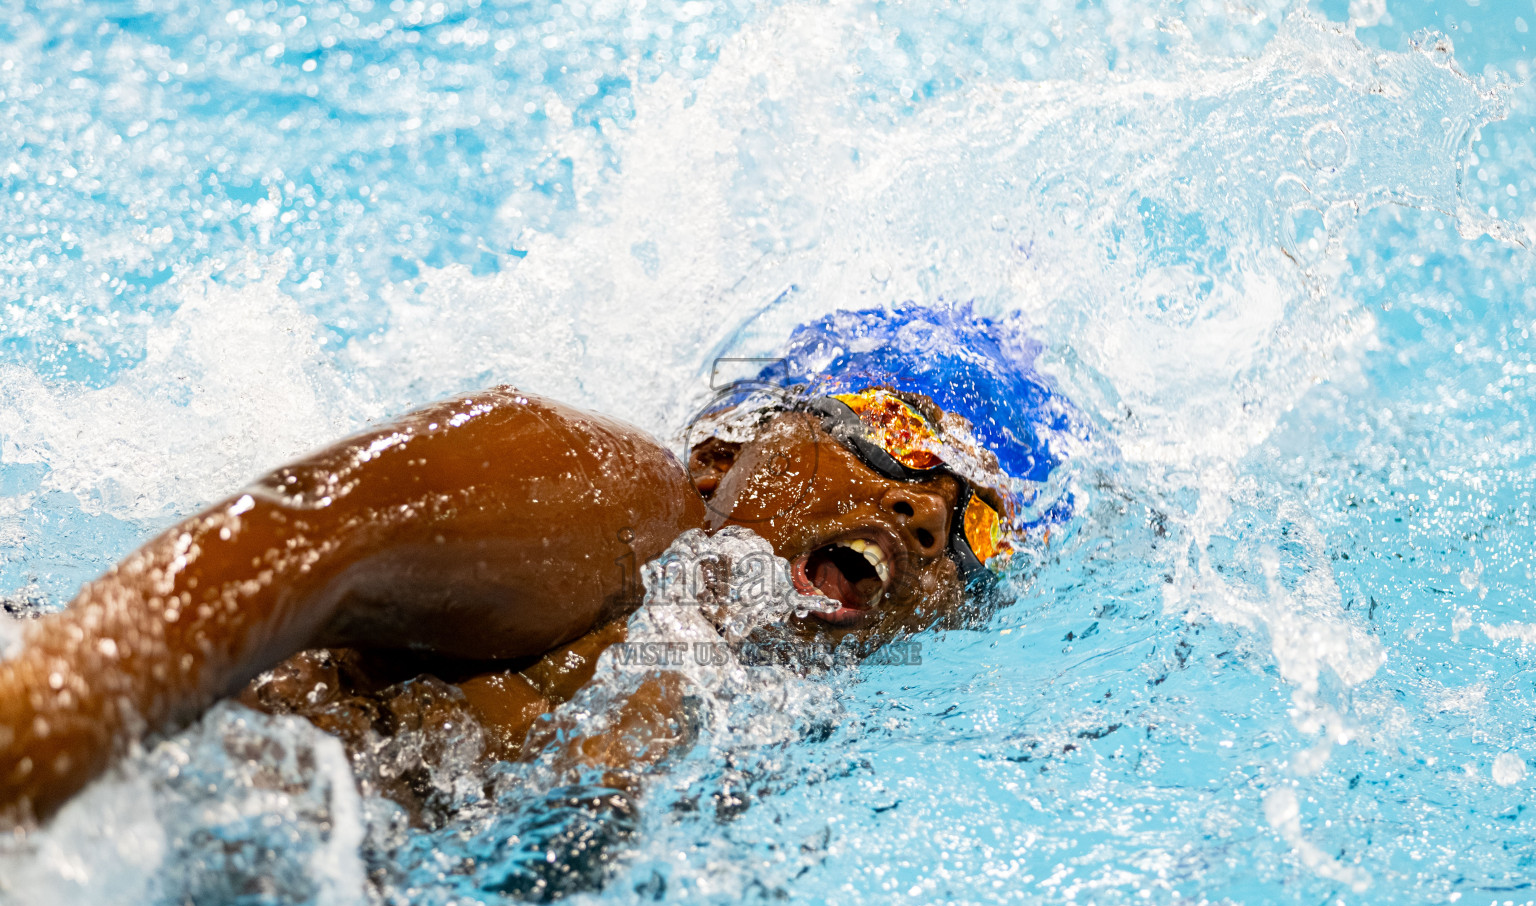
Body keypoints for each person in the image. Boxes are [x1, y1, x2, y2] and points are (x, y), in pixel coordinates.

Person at [0, 304, 1078, 824]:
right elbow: (306, 535)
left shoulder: (746, 742)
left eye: (976, 519)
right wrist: (40, 726)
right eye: (891, 432)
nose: (921, 507)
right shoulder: (625, 499)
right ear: (725, 446)